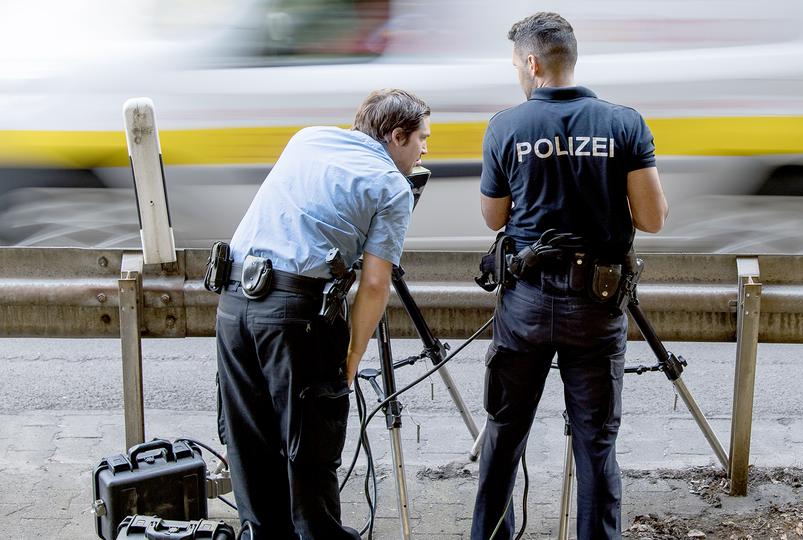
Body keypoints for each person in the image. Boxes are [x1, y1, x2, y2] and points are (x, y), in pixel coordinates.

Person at [471, 12, 668, 540]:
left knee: (504, 434)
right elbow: (651, 219)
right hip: (598, 307)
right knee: (595, 444)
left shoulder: (505, 126)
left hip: (526, 307)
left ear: (532, 64)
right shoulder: (624, 123)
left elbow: (494, 218)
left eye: (516, 64)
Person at [215, 89, 430, 539]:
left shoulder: (307, 138)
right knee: (309, 449)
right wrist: (351, 356)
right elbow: (374, 285)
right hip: (296, 315)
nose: (425, 149)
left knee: (249, 445)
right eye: (421, 139)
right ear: (396, 136)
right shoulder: (392, 186)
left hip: (234, 301)